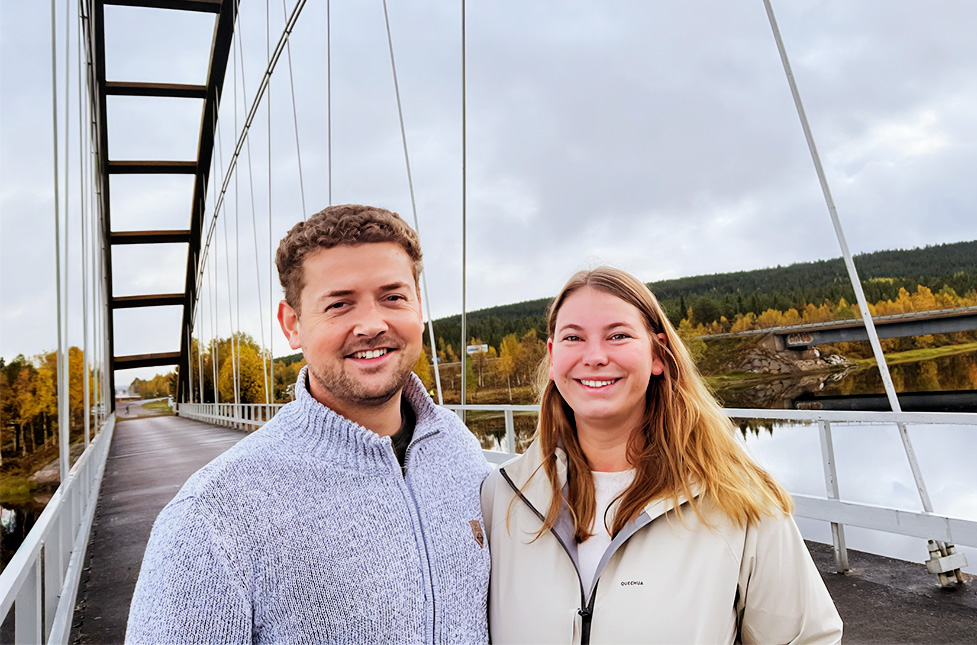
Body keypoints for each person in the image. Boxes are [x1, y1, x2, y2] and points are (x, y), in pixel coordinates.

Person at [127, 205, 490, 643]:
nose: (372, 325)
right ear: (292, 325)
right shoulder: (212, 519)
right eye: (339, 304)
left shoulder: (460, 450)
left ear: (418, 306)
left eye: (393, 297)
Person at [482, 266, 842, 644]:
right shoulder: (503, 497)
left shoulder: (739, 500)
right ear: (554, 358)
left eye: (618, 335)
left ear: (658, 354)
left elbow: (806, 638)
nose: (595, 356)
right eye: (574, 337)